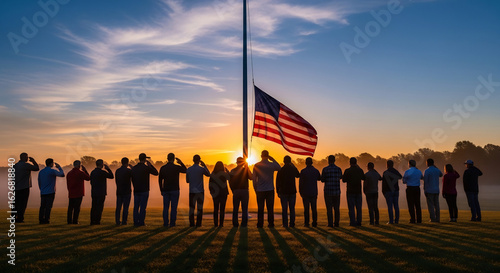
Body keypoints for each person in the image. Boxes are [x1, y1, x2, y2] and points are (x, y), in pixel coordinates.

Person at [253, 150, 281, 228]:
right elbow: (279, 168)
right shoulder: (271, 165)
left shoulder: (257, 165)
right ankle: (271, 223)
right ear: (268, 156)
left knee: (260, 208)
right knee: (270, 208)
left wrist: (255, 189)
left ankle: (260, 224)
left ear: (261, 156)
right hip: (270, 189)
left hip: (260, 190)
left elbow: (254, 179)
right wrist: (273, 159)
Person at [158, 153, 186, 227]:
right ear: (173, 159)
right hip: (175, 190)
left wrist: (161, 189)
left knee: (166, 208)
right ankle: (172, 223)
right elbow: (185, 170)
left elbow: (160, 180)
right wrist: (181, 163)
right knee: (174, 208)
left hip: (166, 190)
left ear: (167, 158)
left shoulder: (163, 168)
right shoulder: (176, 167)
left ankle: (165, 223)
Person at [131, 153, 158, 226]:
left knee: (136, 207)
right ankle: (141, 222)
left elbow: (132, 179)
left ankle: (135, 222)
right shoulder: (146, 168)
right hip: (144, 190)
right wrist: (150, 165)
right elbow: (156, 173)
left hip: (136, 190)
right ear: (145, 159)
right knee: (143, 207)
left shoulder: (134, 168)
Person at [13, 153, 39, 223]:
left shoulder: (15, 166)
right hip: (24, 187)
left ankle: (13, 217)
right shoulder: (26, 165)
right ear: (25, 158)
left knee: (15, 204)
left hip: (16, 187)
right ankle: (20, 218)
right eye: (27, 157)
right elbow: (37, 168)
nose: (27, 158)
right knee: (22, 204)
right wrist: (33, 161)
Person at [38, 158, 65, 224]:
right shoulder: (52, 171)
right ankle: (46, 219)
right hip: (50, 191)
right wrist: (59, 167)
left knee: (42, 207)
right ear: (51, 164)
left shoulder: (41, 172)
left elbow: (39, 182)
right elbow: (62, 174)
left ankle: (41, 219)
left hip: (43, 191)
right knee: (48, 207)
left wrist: (41, 189)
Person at [186, 154, 210, 227]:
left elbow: (187, 181)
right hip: (200, 191)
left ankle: (191, 223)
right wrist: (204, 165)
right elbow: (208, 174)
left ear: (193, 160)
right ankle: (198, 223)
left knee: (191, 208)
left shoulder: (189, 169)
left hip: (192, 191)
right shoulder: (201, 169)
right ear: (199, 160)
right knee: (200, 208)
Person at [276, 155, 300, 228]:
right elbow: (298, 175)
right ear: (290, 161)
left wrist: (278, 191)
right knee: (292, 209)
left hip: (283, 192)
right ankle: (292, 224)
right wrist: (294, 166)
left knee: (284, 209)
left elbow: (277, 182)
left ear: (284, 161)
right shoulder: (292, 169)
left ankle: (285, 224)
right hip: (292, 191)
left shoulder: (281, 170)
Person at [229, 157, 252, 227]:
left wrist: (233, 190)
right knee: (244, 208)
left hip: (236, 191)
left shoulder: (232, 171)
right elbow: (251, 177)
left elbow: (230, 182)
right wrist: (247, 168)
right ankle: (244, 223)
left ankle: (235, 223)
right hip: (244, 190)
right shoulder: (245, 170)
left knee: (235, 208)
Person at [342, 157, 365, 226]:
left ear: (350, 163)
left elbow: (343, 180)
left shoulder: (347, 171)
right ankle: (359, 221)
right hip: (358, 191)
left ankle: (352, 222)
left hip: (350, 191)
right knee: (358, 208)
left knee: (351, 208)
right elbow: (363, 178)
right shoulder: (360, 170)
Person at [90, 159, 114, 225]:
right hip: (101, 192)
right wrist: (108, 169)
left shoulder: (92, 172)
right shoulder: (102, 172)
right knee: (99, 207)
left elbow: (91, 182)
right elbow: (111, 176)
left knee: (94, 207)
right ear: (102, 164)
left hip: (94, 192)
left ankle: (92, 221)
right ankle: (97, 221)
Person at [321, 155, 343, 227]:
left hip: (328, 191)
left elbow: (322, 180)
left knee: (329, 209)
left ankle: (330, 223)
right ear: (334, 160)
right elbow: (340, 177)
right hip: (336, 191)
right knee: (337, 208)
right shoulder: (338, 169)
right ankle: (336, 223)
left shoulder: (325, 169)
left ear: (328, 161)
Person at [299, 157, 321, 227]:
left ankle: (306, 223)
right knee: (314, 209)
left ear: (306, 163)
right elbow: (319, 178)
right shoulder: (316, 171)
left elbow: (301, 183)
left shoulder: (303, 171)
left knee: (306, 209)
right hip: (313, 192)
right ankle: (314, 222)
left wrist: (301, 192)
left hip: (305, 193)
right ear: (312, 163)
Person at [66, 160, 90, 224]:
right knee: (77, 208)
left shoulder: (69, 173)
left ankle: (69, 220)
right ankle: (75, 220)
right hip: (78, 193)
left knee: (70, 208)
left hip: (71, 192)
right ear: (79, 165)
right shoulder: (80, 173)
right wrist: (85, 170)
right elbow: (88, 178)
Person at [209, 161, 230, 227]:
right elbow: (230, 178)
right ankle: (221, 224)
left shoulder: (213, 174)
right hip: (223, 193)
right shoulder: (224, 174)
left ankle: (215, 224)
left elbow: (210, 184)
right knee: (222, 209)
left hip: (215, 194)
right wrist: (228, 172)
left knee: (215, 209)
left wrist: (211, 192)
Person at [382, 160, 402, 224]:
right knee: (396, 206)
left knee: (390, 206)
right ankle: (396, 220)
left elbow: (384, 183)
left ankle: (391, 220)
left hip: (388, 191)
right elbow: (400, 177)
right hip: (395, 190)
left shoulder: (385, 172)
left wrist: (383, 191)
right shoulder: (396, 171)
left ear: (387, 165)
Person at [403, 160, 423, 224]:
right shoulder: (419, 171)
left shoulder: (407, 171)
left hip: (410, 188)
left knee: (410, 205)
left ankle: (413, 219)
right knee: (417, 204)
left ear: (409, 164)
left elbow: (404, 181)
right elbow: (422, 178)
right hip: (417, 188)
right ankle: (419, 219)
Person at [423, 158, 443, 222]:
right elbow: (441, 174)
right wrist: (436, 167)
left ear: (427, 163)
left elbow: (425, 181)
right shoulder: (437, 170)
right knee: (437, 205)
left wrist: (425, 189)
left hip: (429, 190)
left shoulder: (427, 171)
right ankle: (438, 218)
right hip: (436, 189)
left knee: (430, 205)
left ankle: (432, 218)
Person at [115, 157, 133, 225]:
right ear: (127, 163)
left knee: (118, 207)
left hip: (119, 191)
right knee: (126, 208)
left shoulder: (117, 171)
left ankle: (117, 221)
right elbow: (134, 174)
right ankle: (124, 221)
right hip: (127, 191)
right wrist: (132, 167)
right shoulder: (129, 171)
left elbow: (116, 181)